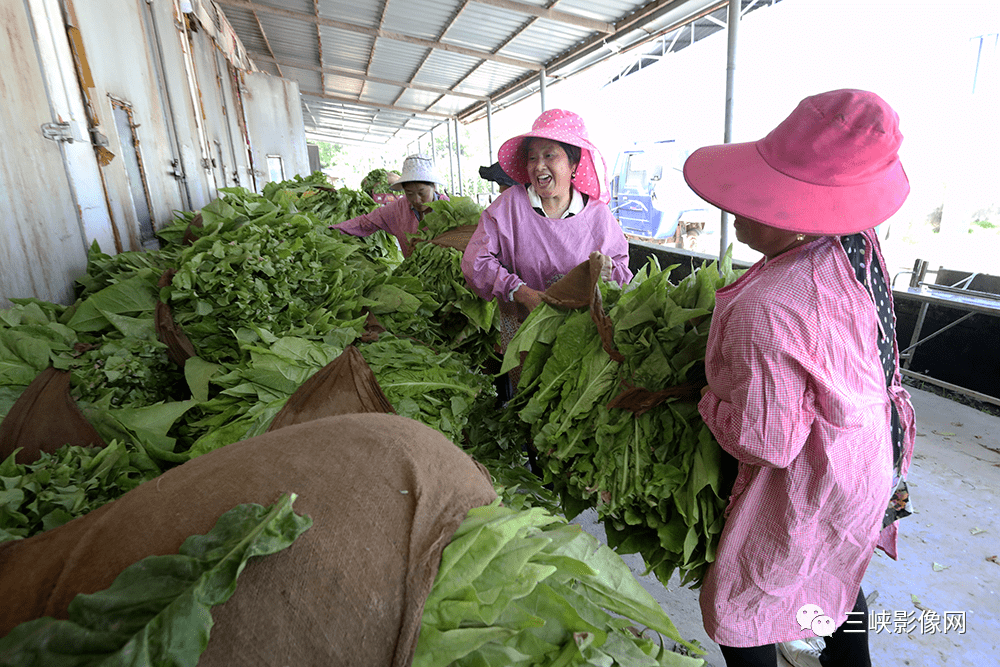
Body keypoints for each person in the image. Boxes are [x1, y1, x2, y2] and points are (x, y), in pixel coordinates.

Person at [683, 89, 916, 667]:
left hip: (809, 479)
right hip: (866, 457)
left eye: (763, 193)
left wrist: (705, 399)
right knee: (832, 580)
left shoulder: (770, 306)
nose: (736, 202)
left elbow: (768, 442)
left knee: (746, 609)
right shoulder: (855, 243)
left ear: (801, 213)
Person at [462, 109, 633, 364]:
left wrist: (601, 276)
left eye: (549, 155)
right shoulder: (508, 207)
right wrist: (520, 291)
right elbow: (476, 261)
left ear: (573, 163)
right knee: (525, 394)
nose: (538, 165)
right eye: (532, 158)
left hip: (579, 335)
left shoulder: (598, 215)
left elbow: (619, 271)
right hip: (522, 328)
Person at [331, 154, 448, 257]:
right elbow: (365, 222)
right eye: (410, 193)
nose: (416, 199)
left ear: (433, 186)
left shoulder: (450, 209)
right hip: (414, 273)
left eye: (422, 193)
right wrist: (332, 230)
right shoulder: (398, 210)